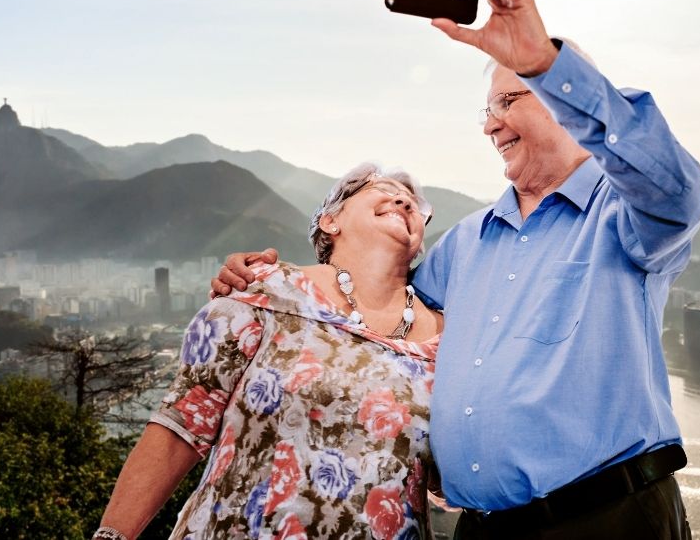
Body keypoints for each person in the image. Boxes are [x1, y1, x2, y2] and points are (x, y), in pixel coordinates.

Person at [213, 0, 700, 539]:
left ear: (560, 103)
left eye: (509, 101)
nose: (490, 126)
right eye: (487, 109)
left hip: (609, 519)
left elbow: (674, 187)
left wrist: (545, 63)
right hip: (483, 529)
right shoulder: (466, 242)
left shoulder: (624, 216)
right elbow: (371, 312)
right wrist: (270, 280)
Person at [91, 163, 445, 540]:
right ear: (329, 222)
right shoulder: (266, 292)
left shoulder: (451, 339)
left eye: (414, 204)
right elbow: (180, 427)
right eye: (382, 188)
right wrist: (112, 535)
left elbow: (455, 470)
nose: (403, 199)